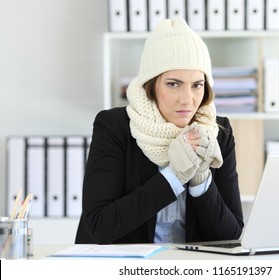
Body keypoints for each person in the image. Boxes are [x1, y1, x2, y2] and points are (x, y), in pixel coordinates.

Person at [75, 18, 243, 244]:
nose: (188, 99)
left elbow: (230, 236)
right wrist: (174, 176)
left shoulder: (217, 133)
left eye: (197, 85)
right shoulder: (114, 126)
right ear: (151, 85)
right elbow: (100, 226)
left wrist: (201, 180)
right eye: (173, 84)